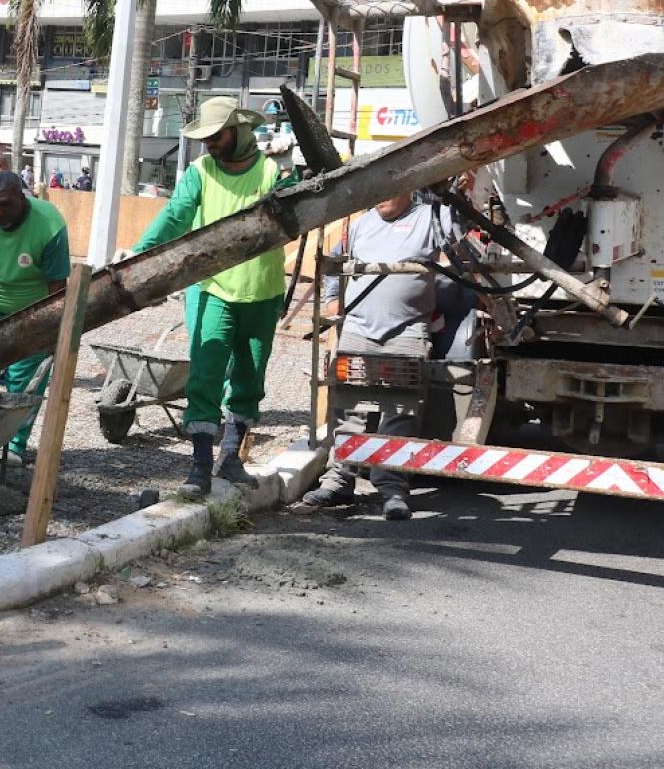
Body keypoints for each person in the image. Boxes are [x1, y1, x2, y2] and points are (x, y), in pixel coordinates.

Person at [117, 97, 291, 499]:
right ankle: (198, 466)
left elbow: (294, 206)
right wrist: (140, 250)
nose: (210, 144)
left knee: (250, 377)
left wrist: (289, 172)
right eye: (206, 138)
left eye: (217, 136)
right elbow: (175, 216)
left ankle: (230, 458)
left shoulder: (269, 170)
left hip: (262, 291)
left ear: (239, 130)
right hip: (212, 288)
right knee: (206, 373)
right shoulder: (200, 171)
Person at [298, 191, 451, 520]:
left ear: (408, 188)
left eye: (388, 191)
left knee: (399, 412)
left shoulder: (431, 217)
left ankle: (393, 489)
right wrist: (333, 298)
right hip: (358, 330)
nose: (380, 198)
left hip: (407, 331)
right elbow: (334, 264)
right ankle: (339, 480)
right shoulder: (360, 224)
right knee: (348, 409)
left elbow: (461, 248)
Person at [0, 171, 71, 464]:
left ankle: (14, 446)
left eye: (5, 204)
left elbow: (57, 288)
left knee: (24, 380)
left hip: (31, 311)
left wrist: (53, 331)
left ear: (22, 197)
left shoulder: (49, 225)